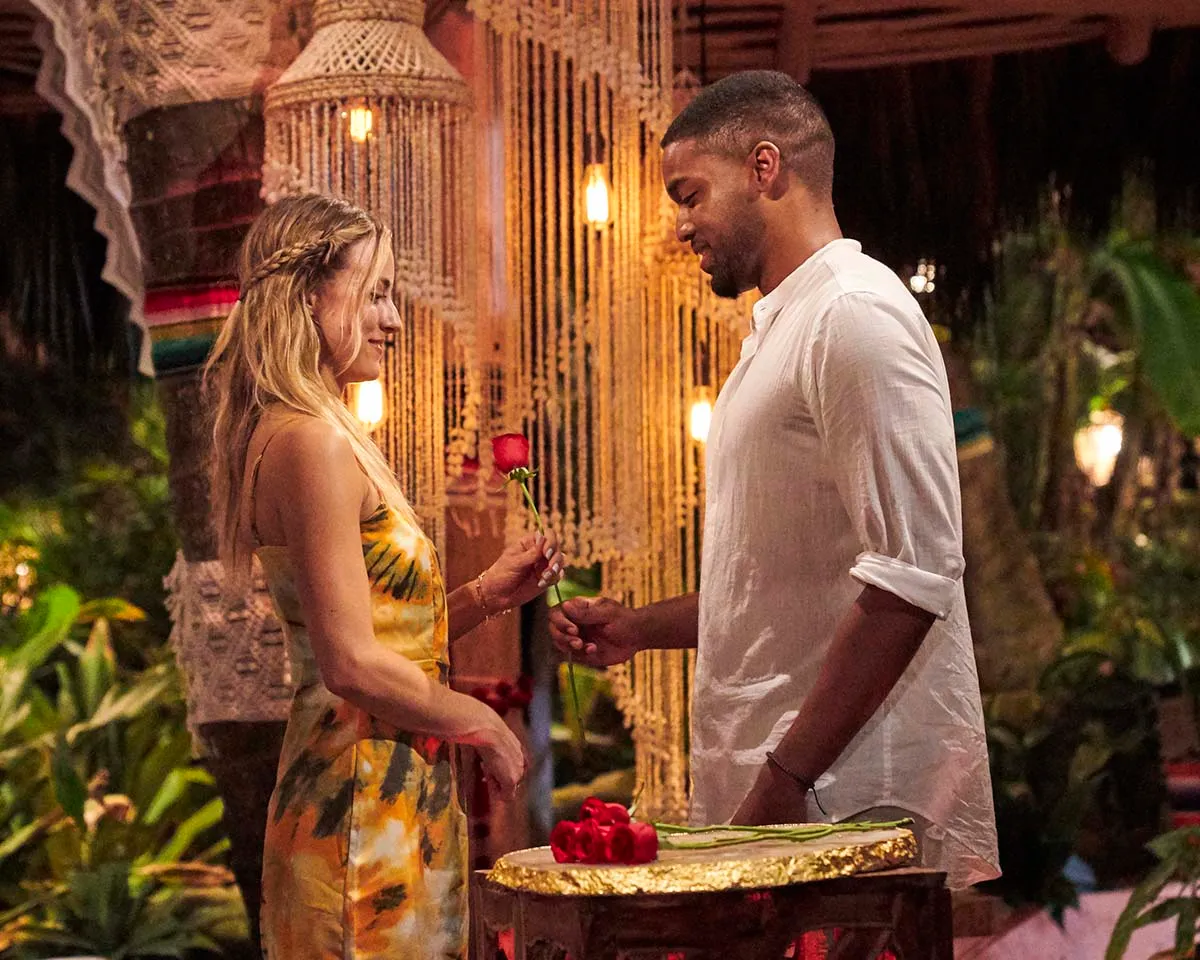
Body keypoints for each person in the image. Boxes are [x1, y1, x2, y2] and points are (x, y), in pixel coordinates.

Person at [550, 71, 999, 890]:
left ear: (765, 167)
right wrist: (639, 628)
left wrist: (786, 778)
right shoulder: (782, 329)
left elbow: (914, 574)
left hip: (845, 799)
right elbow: (783, 580)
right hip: (793, 794)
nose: (680, 226)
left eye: (690, 195)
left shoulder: (853, 315)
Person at [205, 193, 564, 958]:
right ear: (310, 297)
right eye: (375, 295)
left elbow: (378, 636)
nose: (393, 319)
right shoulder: (312, 442)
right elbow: (349, 664)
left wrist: (483, 596)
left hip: (380, 790)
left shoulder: (306, 430)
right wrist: (481, 722)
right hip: (359, 811)